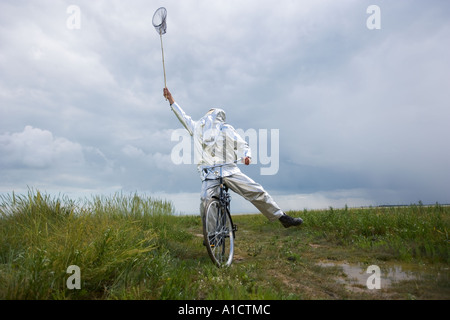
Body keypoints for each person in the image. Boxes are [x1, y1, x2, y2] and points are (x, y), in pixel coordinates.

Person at [163, 88, 303, 228]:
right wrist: (171, 100)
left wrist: (247, 155)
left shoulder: (225, 129)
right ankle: (211, 235)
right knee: (206, 200)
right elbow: (183, 116)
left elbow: (241, 144)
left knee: (256, 191)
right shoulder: (197, 128)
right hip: (209, 173)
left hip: (229, 170)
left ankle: (281, 217)